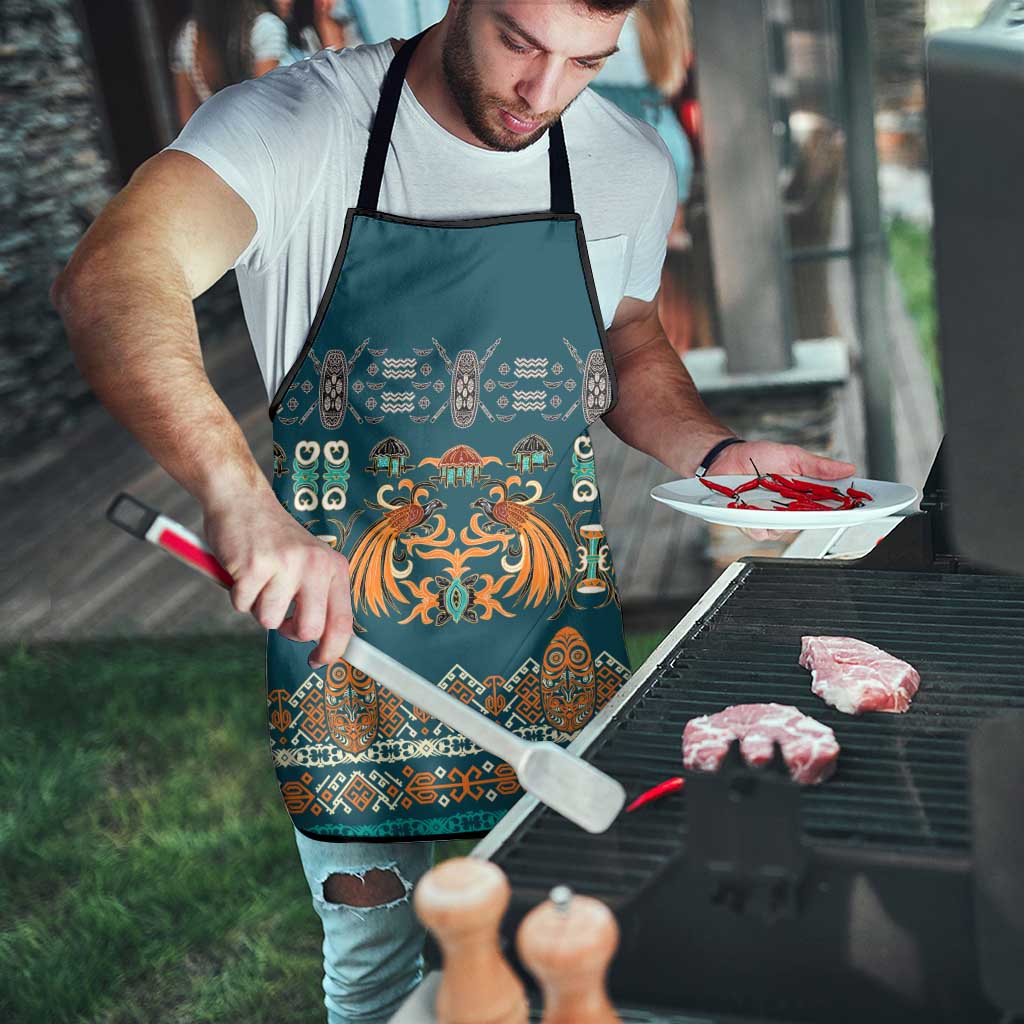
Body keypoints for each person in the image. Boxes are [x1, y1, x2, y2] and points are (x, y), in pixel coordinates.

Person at [52, 2, 856, 1020]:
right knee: (380, 977)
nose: (543, 93)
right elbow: (113, 275)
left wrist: (718, 449)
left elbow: (629, 339)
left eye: (585, 62)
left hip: (554, 643)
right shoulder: (297, 125)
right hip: (350, 655)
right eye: (521, 42)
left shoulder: (624, 160)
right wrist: (236, 495)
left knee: (575, 952)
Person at [169, 0, 289, 127]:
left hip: (215, 140)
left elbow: (187, 120)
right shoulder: (266, 27)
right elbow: (266, 107)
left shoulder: (188, 37)